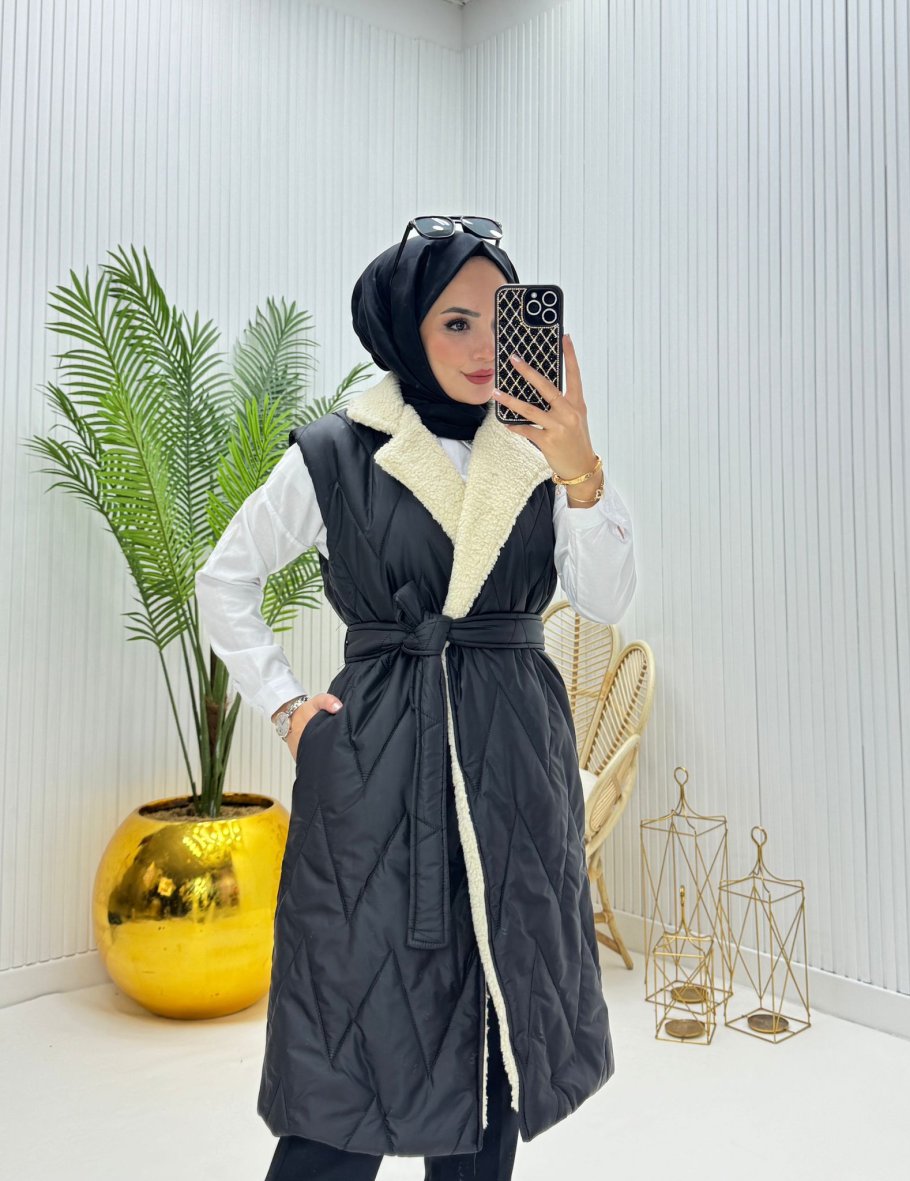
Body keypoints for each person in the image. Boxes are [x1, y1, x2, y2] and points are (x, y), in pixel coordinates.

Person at [195, 217, 637, 1180]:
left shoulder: (541, 451)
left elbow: (606, 598)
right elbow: (223, 581)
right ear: (406, 328)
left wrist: (579, 462)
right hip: (379, 767)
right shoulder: (337, 451)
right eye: (455, 322)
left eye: (498, 320)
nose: (482, 348)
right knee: (350, 1038)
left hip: (513, 765)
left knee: (496, 1039)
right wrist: (287, 708)